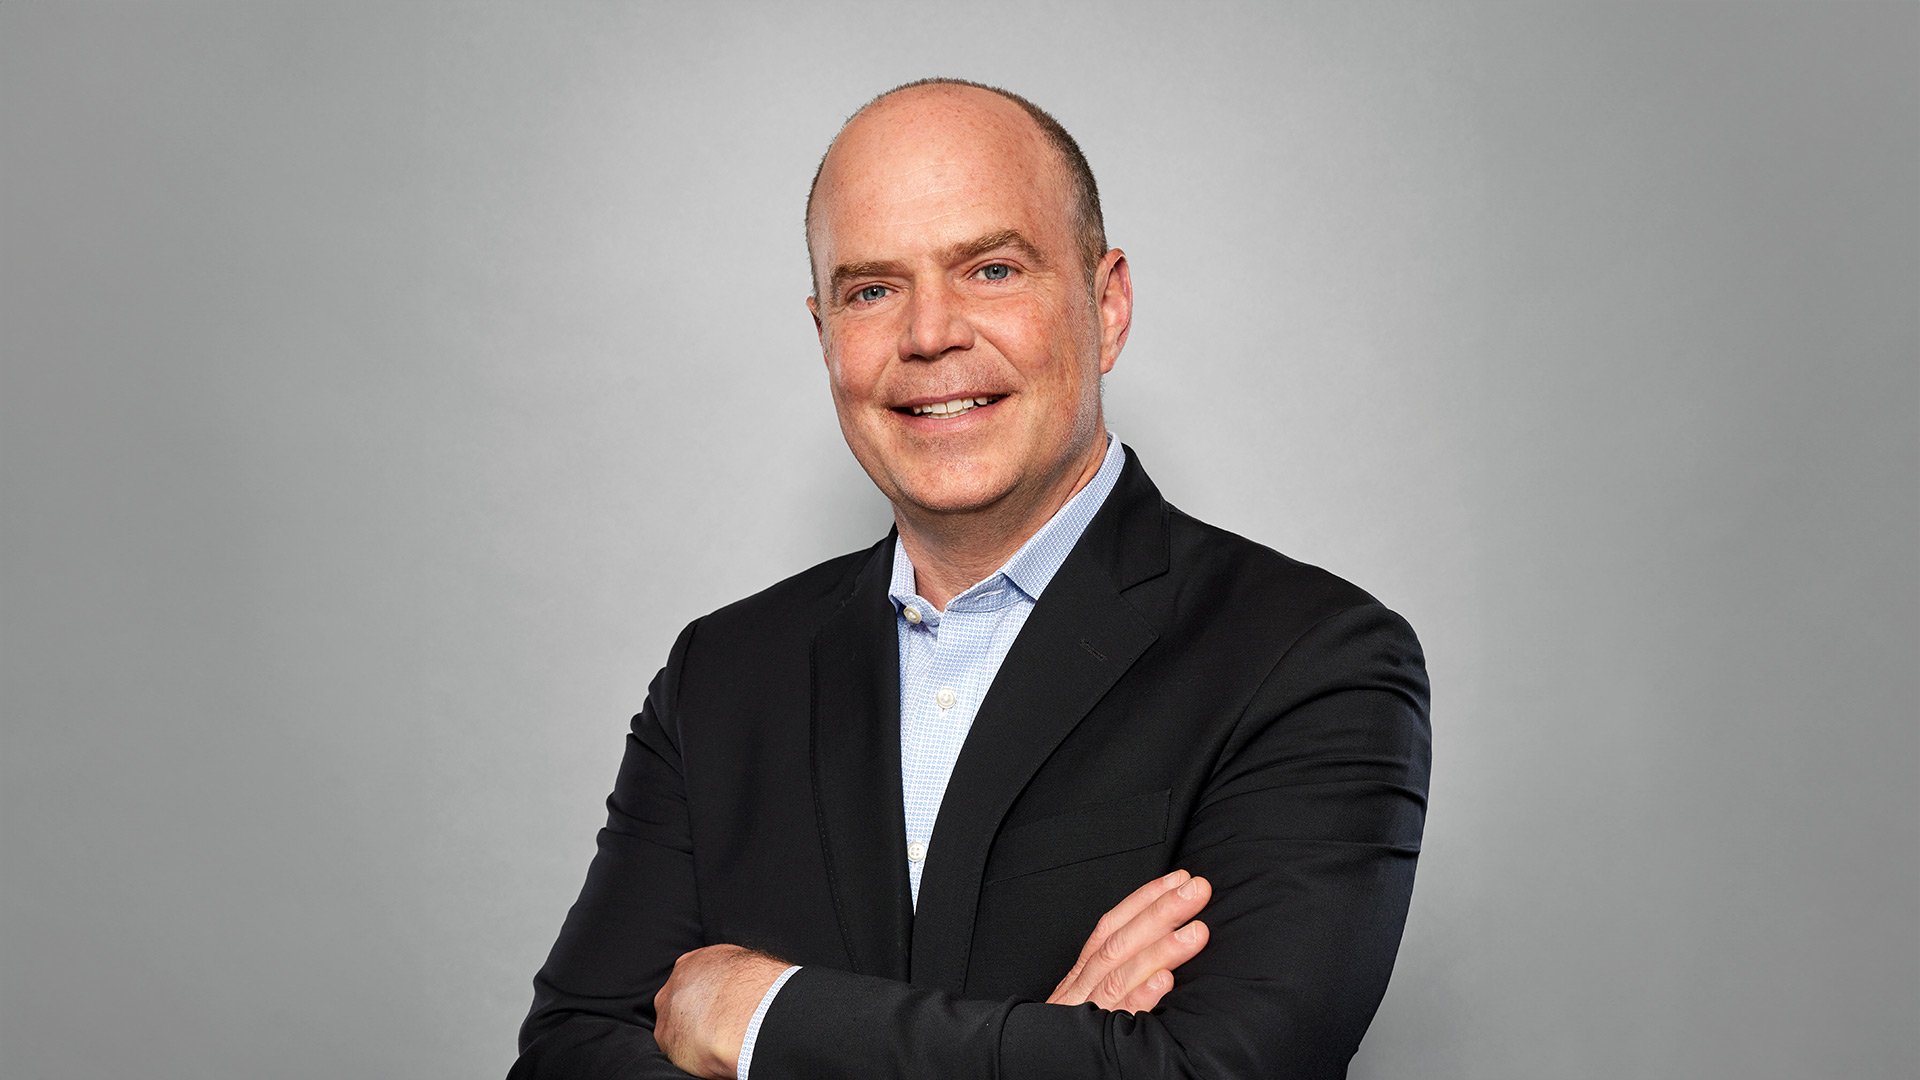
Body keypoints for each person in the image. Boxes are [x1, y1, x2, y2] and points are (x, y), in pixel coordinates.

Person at [511, 78, 1430, 1080]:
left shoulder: (1309, 660)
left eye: (992, 270)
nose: (930, 334)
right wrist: (1052, 1047)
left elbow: (1215, 1071)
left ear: (1107, 304)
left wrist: (761, 1014)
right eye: (871, 290)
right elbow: (566, 1057)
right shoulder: (721, 675)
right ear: (824, 335)